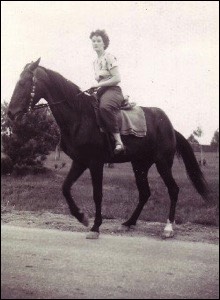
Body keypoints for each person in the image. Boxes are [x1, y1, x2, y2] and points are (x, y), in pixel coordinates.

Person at [89, 29, 125, 154]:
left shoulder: (109, 57)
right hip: (101, 91)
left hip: (113, 90)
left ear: (104, 43)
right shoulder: (95, 62)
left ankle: (118, 141)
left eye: (99, 41)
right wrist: (95, 87)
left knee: (105, 107)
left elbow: (117, 78)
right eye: (93, 41)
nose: (96, 43)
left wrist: (98, 85)